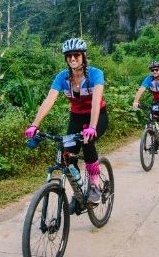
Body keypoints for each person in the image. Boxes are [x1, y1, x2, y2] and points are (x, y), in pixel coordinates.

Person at [25, 38, 107, 206]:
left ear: (83, 56)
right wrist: (35, 124)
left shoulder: (95, 74)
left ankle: (95, 187)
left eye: (76, 54)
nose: (72, 59)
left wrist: (92, 127)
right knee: (68, 156)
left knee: (88, 141)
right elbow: (49, 100)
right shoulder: (62, 77)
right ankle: (78, 193)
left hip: (97, 115)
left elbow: (95, 101)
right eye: (69, 56)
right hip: (76, 117)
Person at [132, 60, 159, 143]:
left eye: (156, 69)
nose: (154, 71)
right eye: (152, 70)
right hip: (156, 101)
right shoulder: (148, 79)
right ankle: (155, 139)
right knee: (151, 118)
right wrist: (135, 101)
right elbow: (141, 90)